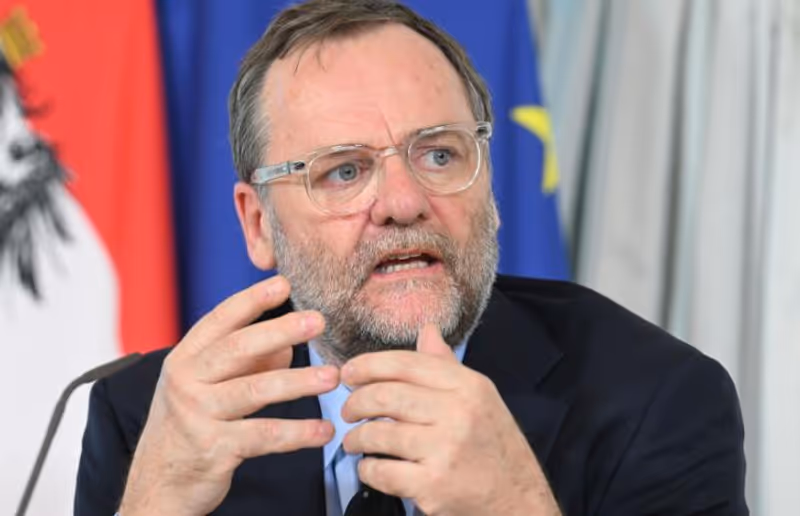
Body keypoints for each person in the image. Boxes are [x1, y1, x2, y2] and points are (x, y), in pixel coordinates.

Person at [74, 1, 748, 515]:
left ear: (488, 184)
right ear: (258, 225)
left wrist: (513, 506)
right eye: (343, 171)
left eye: (440, 154)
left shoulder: (656, 401)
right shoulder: (149, 419)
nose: (402, 202)